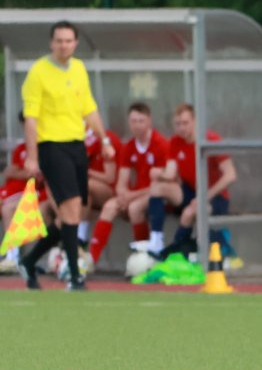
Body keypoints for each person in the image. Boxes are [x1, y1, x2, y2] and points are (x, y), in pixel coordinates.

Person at [18, 21, 116, 290]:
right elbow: (31, 118)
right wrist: (32, 156)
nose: (64, 45)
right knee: (72, 208)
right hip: (52, 146)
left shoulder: (79, 69)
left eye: (69, 40)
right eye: (59, 41)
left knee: (71, 216)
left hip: (76, 146)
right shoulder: (38, 72)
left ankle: (29, 263)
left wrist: (105, 140)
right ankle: (74, 276)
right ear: (51, 43)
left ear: (75, 43)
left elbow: (90, 109)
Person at [147, 103, 237, 261]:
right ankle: (156, 241)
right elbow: (170, 173)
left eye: (185, 123)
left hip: (215, 197)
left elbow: (230, 175)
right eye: (178, 124)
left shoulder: (211, 139)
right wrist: (158, 173)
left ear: (195, 121)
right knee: (157, 188)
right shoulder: (175, 141)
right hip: (191, 192)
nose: (181, 127)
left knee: (189, 213)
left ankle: (196, 249)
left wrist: (204, 197)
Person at [86, 102, 170, 267]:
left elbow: (160, 185)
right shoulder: (129, 146)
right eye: (133, 121)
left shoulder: (161, 144)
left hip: (156, 196)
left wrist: (130, 196)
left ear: (149, 121)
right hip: (134, 195)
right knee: (110, 206)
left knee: (134, 208)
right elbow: (121, 181)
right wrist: (122, 195)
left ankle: (145, 256)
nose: (137, 125)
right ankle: (90, 259)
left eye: (141, 120)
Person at [0, 112, 52, 272]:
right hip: (18, 193)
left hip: (39, 194)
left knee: (8, 208)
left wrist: (23, 173)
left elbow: (39, 177)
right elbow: (9, 172)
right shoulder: (21, 149)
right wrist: (24, 173)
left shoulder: (47, 148)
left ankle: (13, 257)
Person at [80, 123, 122, 250]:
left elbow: (110, 177)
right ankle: (77, 239)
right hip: (94, 191)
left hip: (113, 191)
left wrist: (85, 171)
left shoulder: (106, 141)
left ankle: (81, 235)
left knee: (84, 186)